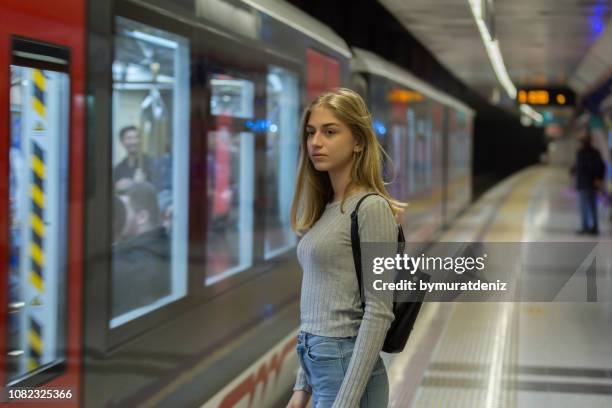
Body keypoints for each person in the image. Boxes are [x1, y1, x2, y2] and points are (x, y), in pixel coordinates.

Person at [287, 88, 406, 408]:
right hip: (322, 371)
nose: (316, 142)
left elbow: (379, 312)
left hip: (347, 378)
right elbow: (319, 304)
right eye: (311, 132)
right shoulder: (326, 207)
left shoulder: (371, 209)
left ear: (358, 142)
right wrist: (302, 387)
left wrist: (347, 401)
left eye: (329, 132)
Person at [112, 182, 171, 317]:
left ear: (141, 217)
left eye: (125, 210)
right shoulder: (165, 245)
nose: (119, 214)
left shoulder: (133, 264)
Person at [572, 129, 605, 235]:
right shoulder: (596, 153)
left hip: (584, 184)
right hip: (593, 184)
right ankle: (594, 228)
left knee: (584, 207)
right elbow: (601, 167)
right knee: (593, 207)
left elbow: (580, 168)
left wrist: (573, 171)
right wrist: (599, 178)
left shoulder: (580, 153)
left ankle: (585, 227)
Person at [113, 126, 157, 193]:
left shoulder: (150, 163)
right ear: (122, 141)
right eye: (129, 138)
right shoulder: (118, 168)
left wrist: (134, 184)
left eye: (136, 137)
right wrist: (116, 187)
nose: (134, 141)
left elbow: (156, 190)